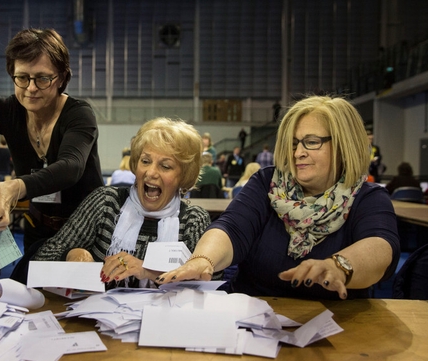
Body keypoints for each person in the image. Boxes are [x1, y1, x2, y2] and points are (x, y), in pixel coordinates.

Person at [156, 95, 400, 300]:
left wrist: (338, 267)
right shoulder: (267, 183)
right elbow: (232, 228)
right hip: (251, 317)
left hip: (335, 328)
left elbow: (380, 248)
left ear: (344, 145)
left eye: (311, 142)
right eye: (293, 144)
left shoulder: (368, 197)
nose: (298, 153)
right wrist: (202, 259)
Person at [0, 28, 103, 256]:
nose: (31, 88)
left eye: (42, 78)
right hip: (38, 229)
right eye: (22, 77)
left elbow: (71, 167)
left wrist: (16, 186)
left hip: (87, 233)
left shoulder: (79, 115)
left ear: (61, 78)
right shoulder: (6, 111)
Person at [34, 117, 212, 288]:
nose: (150, 172)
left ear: (184, 176)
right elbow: (42, 257)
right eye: (145, 161)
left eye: (165, 166)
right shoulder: (106, 203)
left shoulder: (193, 221)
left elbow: (209, 282)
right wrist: (70, 254)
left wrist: (146, 271)